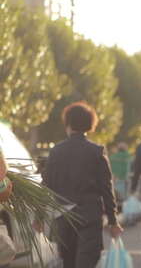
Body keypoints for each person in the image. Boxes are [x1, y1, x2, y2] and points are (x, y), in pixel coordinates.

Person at [39, 102, 122, 268]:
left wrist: (39, 217)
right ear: (89, 124)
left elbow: (46, 185)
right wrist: (113, 221)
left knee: (68, 263)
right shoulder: (97, 152)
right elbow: (106, 189)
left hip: (64, 217)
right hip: (90, 217)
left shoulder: (56, 152)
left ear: (68, 123)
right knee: (86, 262)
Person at [109, 142, 132, 208]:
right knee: (125, 199)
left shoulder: (112, 157)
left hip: (115, 180)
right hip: (126, 180)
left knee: (115, 197)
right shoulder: (129, 156)